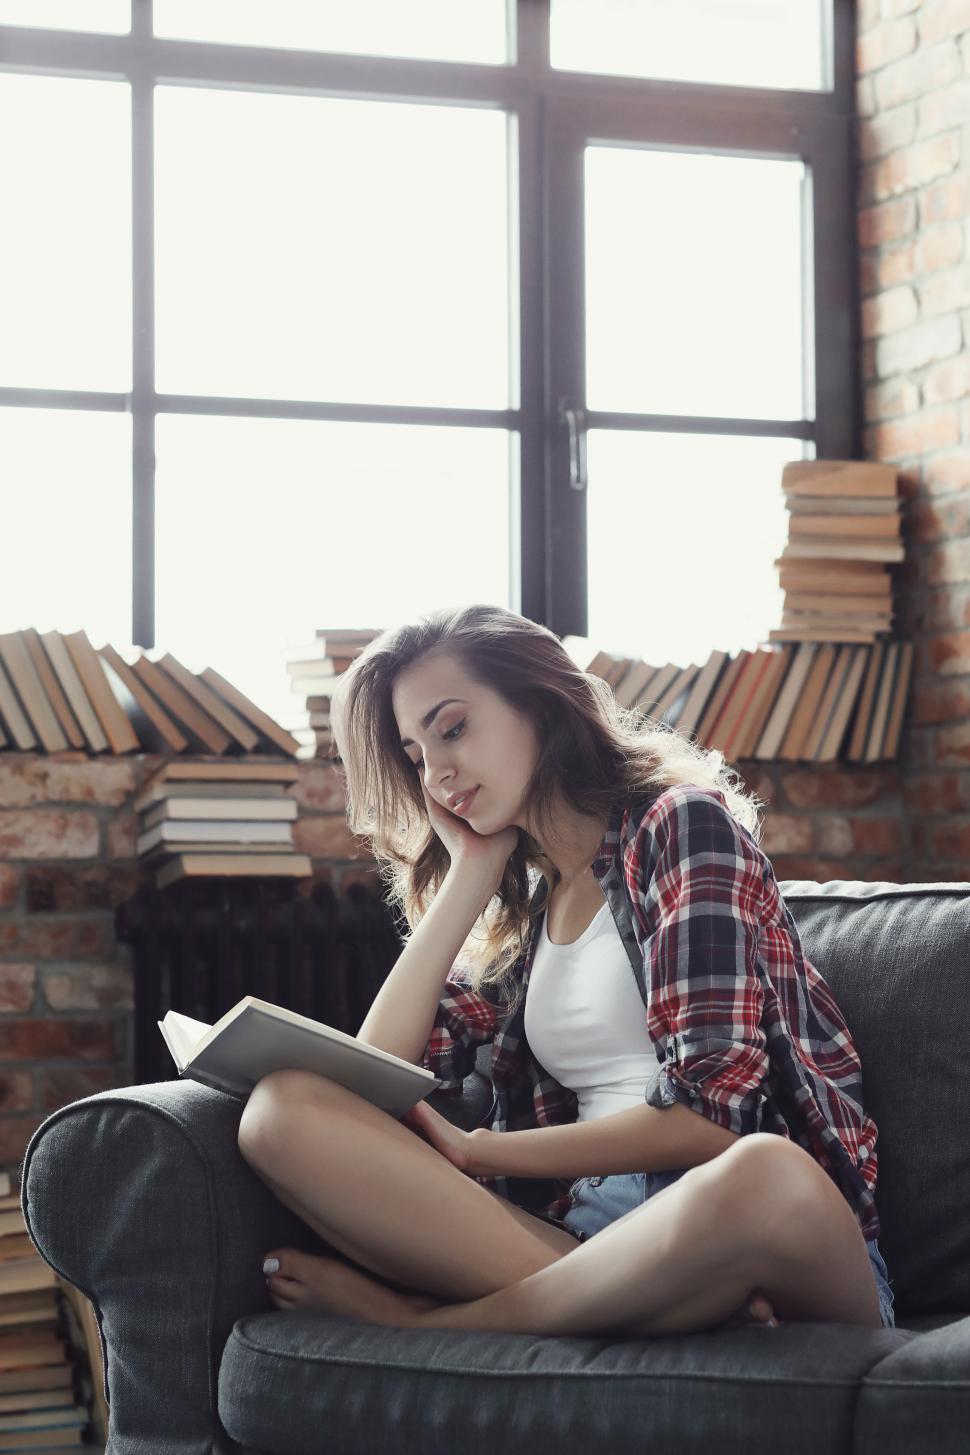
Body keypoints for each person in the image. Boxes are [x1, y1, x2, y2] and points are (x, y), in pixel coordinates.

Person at [237, 603, 895, 1337]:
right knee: (281, 1111)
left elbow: (714, 1118)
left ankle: (430, 1325)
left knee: (765, 1173)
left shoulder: (682, 826)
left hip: (754, 1228)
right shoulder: (527, 911)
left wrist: (483, 1150)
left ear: (540, 702)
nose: (439, 772)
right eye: (417, 756)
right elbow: (379, 1077)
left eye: (452, 728)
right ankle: (658, 1311)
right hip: (592, 1244)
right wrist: (470, 876)